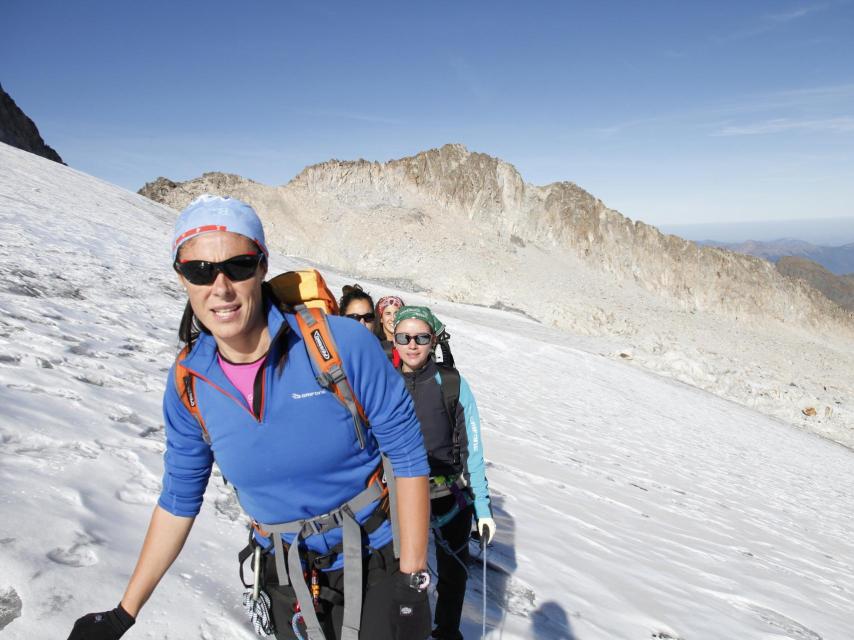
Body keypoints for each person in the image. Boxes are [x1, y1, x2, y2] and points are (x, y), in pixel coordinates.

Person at [68, 195, 433, 640]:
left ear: (261, 267)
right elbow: (179, 500)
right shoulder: (189, 383)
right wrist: (124, 613)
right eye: (199, 270)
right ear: (181, 277)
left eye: (237, 266)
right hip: (285, 578)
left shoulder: (341, 345)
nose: (219, 287)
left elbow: (408, 455)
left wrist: (412, 580)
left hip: (377, 563)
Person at [392, 306, 495, 640]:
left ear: (433, 339)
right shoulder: (384, 382)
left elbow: (473, 451)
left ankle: (446, 631)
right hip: (398, 495)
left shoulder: (451, 383)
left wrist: (483, 507)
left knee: (454, 574)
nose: (412, 345)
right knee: (406, 573)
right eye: (403, 337)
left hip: (449, 494)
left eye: (421, 337)